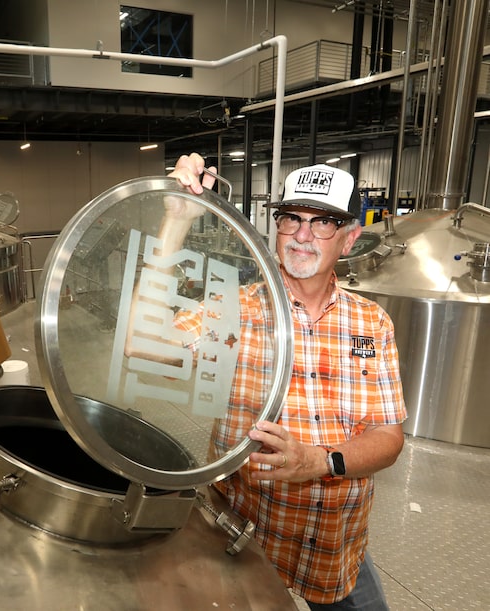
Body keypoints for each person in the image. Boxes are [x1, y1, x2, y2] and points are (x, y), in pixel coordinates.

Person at [168, 153, 407, 610]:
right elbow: (142, 346)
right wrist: (175, 220)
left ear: (350, 239)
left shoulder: (373, 323)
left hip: (335, 548)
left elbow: (388, 438)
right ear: (275, 228)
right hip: (246, 538)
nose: (302, 235)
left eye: (323, 223)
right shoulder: (234, 310)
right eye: (291, 218)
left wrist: (321, 462)